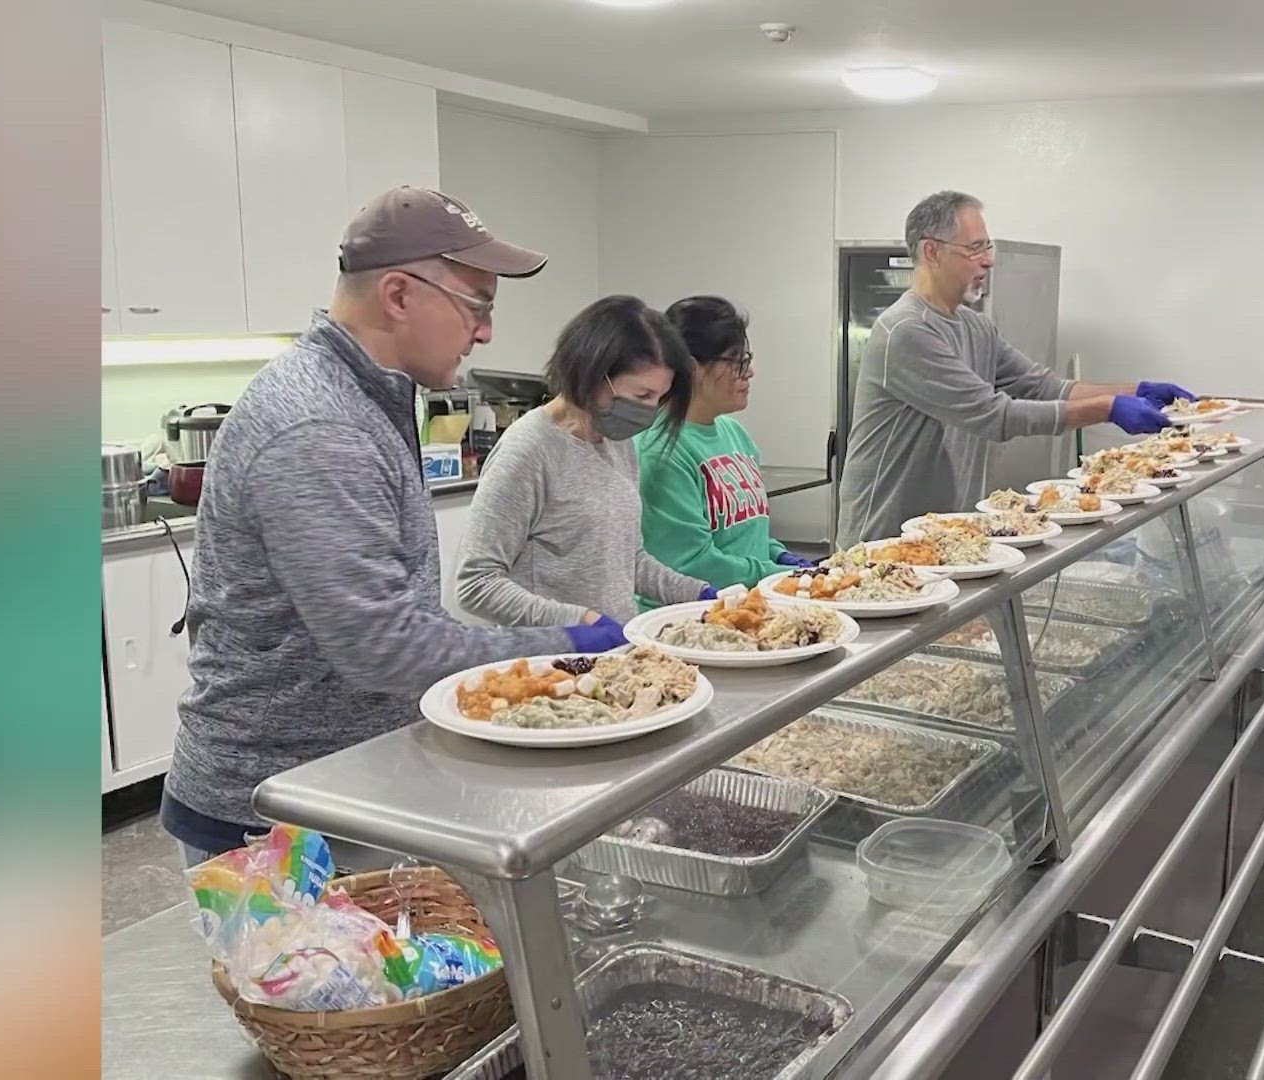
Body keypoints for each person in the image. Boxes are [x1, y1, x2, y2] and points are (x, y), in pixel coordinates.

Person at [163, 186, 617, 865]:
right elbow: (383, 647)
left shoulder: (369, 398)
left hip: (341, 781)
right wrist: (561, 647)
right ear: (399, 296)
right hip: (274, 810)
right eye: (477, 305)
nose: (487, 331)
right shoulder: (319, 425)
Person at [835, 190, 1194, 546]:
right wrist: (1107, 409)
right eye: (975, 249)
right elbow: (995, 415)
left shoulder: (975, 326)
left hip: (946, 533)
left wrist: (1136, 391)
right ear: (932, 252)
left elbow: (1044, 386)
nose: (988, 261)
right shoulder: (907, 330)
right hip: (883, 539)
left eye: (986, 247)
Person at [456, 296, 717, 630]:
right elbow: (477, 584)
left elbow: (628, 560)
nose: (651, 410)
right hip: (552, 663)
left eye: (659, 398)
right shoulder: (529, 450)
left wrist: (699, 594)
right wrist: (580, 622)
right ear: (594, 374)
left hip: (617, 653)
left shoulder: (618, 443)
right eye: (641, 396)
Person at [633, 296, 815, 595]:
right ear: (693, 368)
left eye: (748, 360)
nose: (749, 373)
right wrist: (781, 577)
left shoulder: (734, 434)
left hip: (748, 602)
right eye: (737, 362)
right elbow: (691, 562)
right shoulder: (661, 452)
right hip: (691, 616)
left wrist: (777, 554)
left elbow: (745, 534)